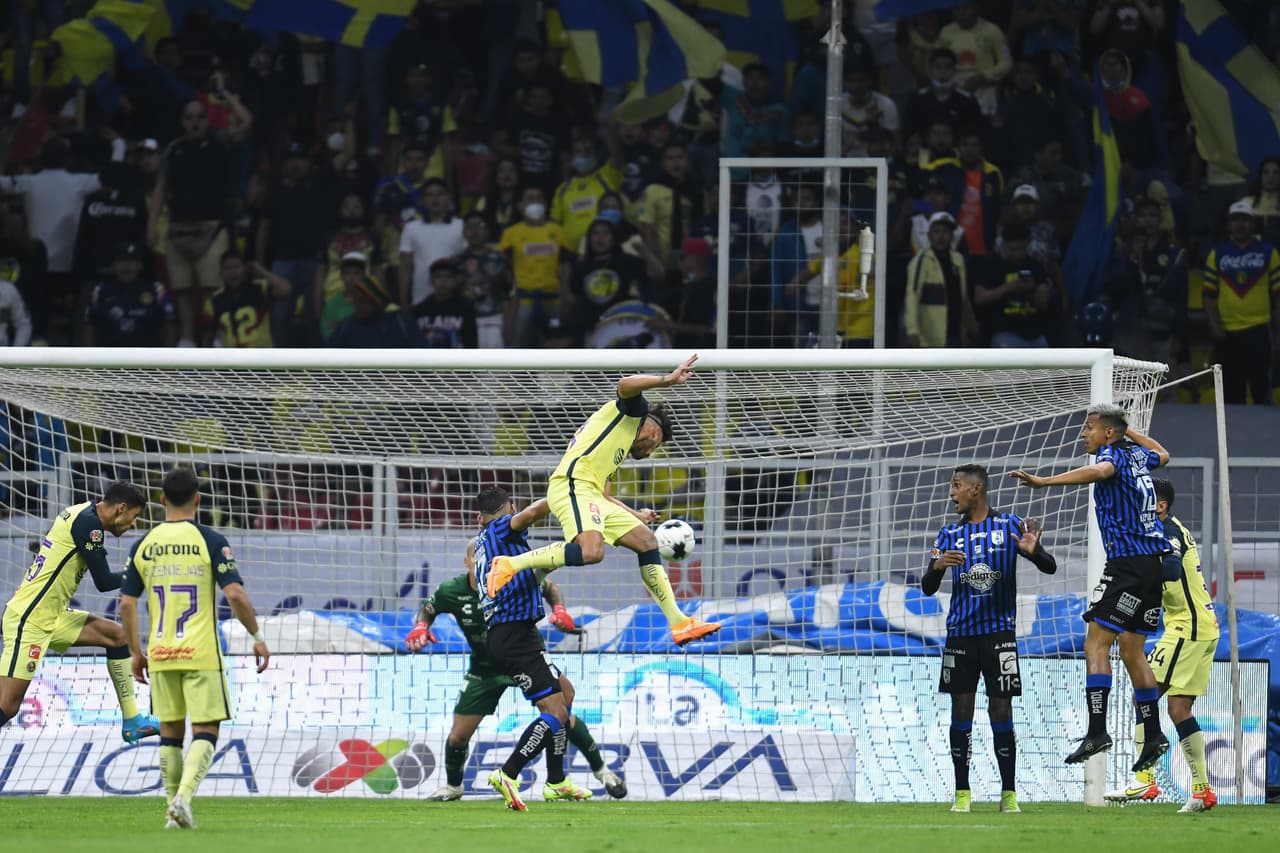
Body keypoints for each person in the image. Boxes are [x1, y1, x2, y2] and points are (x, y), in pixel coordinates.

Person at [484, 355, 720, 647]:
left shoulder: (614, 446)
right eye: (654, 444)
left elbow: (604, 496)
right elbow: (625, 384)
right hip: (572, 485)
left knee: (647, 541)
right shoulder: (634, 414)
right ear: (652, 429)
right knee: (591, 552)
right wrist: (668, 380)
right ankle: (509, 563)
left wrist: (634, 514)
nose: (649, 452)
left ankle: (680, 623)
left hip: (590, 493)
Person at [1008, 403, 1172, 771]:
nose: (1085, 434)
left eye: (1090, 428)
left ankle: (1097, 731)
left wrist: (1044, 482)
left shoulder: (1113, 457)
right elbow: (1164, 453)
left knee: (1095, 642)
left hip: (1127, 567)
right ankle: (1155, 733)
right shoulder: (1138, 455)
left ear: (1107, 434)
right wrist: (1128, 430)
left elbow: (1100, 470)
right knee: (1133, 651)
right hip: (1152, 568)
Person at [404, 541, 625, 799]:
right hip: (485, 670)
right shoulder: (452, 591)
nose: (483, 565)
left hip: (523, 657)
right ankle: (454, 786)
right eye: (477, 560)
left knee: (564, 707)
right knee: (457, 738)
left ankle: (600, 771)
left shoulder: (510, 578)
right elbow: (429, 609)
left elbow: (550, 587)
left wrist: (559, 610)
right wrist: (421, 627)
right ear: (467, 563)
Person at [119, 466, 270, 829]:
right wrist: (257, 636)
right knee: (207, 729)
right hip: (200, 653)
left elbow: (126, 604)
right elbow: (234, 593)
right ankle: (183, 799)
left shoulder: (143, 545)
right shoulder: (210, 540)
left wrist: (136, 652)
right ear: (198, 499)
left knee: (170, 733)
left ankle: (172, 810)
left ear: (161, 500)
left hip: (160, 652)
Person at [922, 464, 1058, 814]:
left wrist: (1034, 551)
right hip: (960, 636)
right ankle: (962, 793)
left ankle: (1009, 793)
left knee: (1001, 709)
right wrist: (936, 569)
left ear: (976, 489)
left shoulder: (1009, 526)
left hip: (999, 634)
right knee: (961, 711)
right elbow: (927, 587)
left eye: (956, 486)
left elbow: (1049, 567)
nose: (951, 493)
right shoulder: (948, 534)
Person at [0, 481, 158, 743]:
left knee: (116, 636)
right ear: (121, 508)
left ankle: (132, 721)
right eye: (134, 517)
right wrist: (145, 572)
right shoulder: (88, 525)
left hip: (53, 615)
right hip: (30, 619)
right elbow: (105, 582)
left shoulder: (82, 512)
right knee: (7, 706)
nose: (133, 525)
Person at [471, 491, 596, 810]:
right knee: (555, 711)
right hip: (515, 636)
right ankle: (508, 774)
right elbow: (533, 512)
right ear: (509, 509)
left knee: (565, 694)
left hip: (513, 634)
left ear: (477, 517)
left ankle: (556, 782)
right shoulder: (501, 528)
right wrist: (571, 493)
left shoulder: (482, 543)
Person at [1105, 478, 1219, 813]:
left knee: (1146, 692)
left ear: (1160, 505)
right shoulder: (1168, 529)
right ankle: (1201, 791)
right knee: (1178, 709)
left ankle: (1144, 778)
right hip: (1202, 627)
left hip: (1188, 627)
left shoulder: (1166, 531)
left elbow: (1169, 568)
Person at [149, 84, 253, 346]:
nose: (195, 122)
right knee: (182, 289)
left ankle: (213, 339)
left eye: (200, 117)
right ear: (182, 122)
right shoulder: (173, 150)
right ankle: (187, 340)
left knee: (211, 288)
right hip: (178, 228)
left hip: (213, 227)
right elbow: (161, 188)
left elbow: (246, 121)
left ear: (207, 120)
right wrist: (151, 224)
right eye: (189, 117)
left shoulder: (220, 142)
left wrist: (226, 94)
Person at [1201, 200, 1280, 405]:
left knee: (1261, 390)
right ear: (1228, 224)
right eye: (1235, 220)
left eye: (1245, 220)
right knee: (1231, 394)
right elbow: (1208, 294)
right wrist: (1214, 324)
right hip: (1227, 333)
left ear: (1253, 224)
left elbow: (1278, 294)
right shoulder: (1217, 254)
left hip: (1259, 329)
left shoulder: (1269, 253)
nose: (1240, 225)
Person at [498, 186, 573, 346]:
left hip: (553, 300)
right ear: (520, 205)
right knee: (519, 350)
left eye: (539, 199)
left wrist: (565, 295)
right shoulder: (511, 233)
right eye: (530, 199)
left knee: (555, 351)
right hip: (523, 301)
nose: (535, 203)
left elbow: (565, 264)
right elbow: (504, 270)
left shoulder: (558, 231)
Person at [83, 243, 178, 347]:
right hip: (109, 356)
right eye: (121, 262)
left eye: (131, 261)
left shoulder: (157, 289)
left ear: (140, 265)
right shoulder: (100, 290)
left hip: (148, 356)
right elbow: (89, 325)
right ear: (113, 265)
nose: (126, 267)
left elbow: (170, 324)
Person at [903, 211, 976, 347]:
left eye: (945, 231)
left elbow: (963, 298)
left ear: (952, 235)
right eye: (936, 231)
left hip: (955, 334)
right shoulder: (921, 260)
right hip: (929, 337)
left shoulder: (958, 260)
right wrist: (912, 331)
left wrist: (970, 327)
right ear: (929, 235)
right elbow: (912, 295)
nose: (941, 236)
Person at [201, 251, 293, 347]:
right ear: (221, 272)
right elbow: (207, 337)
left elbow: (286, 289)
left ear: (245, 269)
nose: (233, 272)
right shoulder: (213, 301)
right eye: (227, 268)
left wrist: (262, 271)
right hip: (233, 358)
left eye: (237, 267)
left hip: (263, 356)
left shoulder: (260, 288)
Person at [398, 178, 466, 308]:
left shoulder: (461, 226)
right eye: (429, 195)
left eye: (440, 194)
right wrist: (404, 301)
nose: (435, 199)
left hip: (455, 299)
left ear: (449, 198)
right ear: (423, 200)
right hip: (420, 298)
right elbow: (405, 267)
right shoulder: (411, 228)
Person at [455, 212, 512, 348]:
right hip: (464, 322)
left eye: (480, 226)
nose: (474, 231)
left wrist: (509, 325)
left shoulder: (500, 259)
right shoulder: (456, 262)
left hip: (494, 321)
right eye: (470, 226)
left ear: (488, 231)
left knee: (493, 368)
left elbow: (512, 294)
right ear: (463, 232)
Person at [327, 274, 424, 348]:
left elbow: (423, 358)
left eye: (363, 302)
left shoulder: (402, 323)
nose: (357, 306)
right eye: (355, 300)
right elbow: (327, 360)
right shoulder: (346, 327)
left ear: (378, 304)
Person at [412, 258, 478, 348]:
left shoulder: (465, 308)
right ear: (431, 280)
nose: (443, 282)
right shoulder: (419, 311)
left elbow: (471, 343)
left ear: (455, 281)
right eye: (438, 277)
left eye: (448, 277)